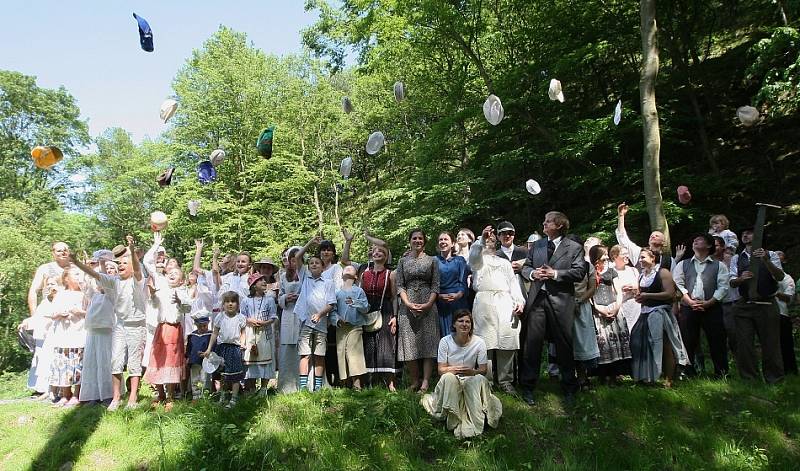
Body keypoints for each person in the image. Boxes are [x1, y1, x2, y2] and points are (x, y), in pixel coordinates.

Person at [520, 211, 586, 406]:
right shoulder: (538, 245)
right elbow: (526, 267)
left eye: (548, 221)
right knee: (532, 345)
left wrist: (555, 273)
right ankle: (528, 387)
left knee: (564, 344)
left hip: (561, 301)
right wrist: (533, 274)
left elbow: (580, 272)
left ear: (559, 225)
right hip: (537, 300)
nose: (544, 223)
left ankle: (569, 387)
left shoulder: (574, 247)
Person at [72, 236, 146, 410]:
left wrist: (131, 249)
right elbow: (94, 273)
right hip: (119, 325)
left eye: (123, 264)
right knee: (116, 361)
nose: (120, 266)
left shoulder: (137, 281)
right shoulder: (114, 281)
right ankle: (116, 398)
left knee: (134, 363)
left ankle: (133, 398)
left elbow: (137, 269)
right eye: (118, 264)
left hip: (136, 325)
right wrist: (75, 261)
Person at [420, 310, 502, 439]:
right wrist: (455, 369)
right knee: (448, 378)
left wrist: (472, 372)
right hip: (452, 378)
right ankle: (452, 417)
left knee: (478, 379)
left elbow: (483, 370)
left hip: (471, 378)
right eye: (461, 321)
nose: (464, 324)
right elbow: (441, 370)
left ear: (471, 325)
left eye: (467, 322)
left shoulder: (479, 342)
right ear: (454, 324)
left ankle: (475, 419)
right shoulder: (445, 341)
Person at [468, 226, 524, 394]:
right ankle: (487, 379)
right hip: (484, 302)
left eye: (492, 240)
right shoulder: (477, 261)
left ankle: (505, 380)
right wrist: (481, 240)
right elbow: (473, 257)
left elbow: (513, 284)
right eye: (487, 240)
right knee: (485, 341)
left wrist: (519, 301)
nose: (489, 241)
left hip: (504, 302)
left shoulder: (504, 263)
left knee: (507, 339)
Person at [730, 228, 786, 383]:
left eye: (749, 233)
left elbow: (780, 276)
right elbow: (732, 282)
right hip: (744, 305)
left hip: (767, 303)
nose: (745, 235)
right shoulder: (737, 258)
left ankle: (775, 379)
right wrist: (741, 279)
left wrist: (766, 260)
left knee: (771, 343)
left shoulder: (772, 254)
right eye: (743, 234)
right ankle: (749, 379)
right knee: (745, 344)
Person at [143, 233, 190, 409]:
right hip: (161, 329)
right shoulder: (161, 283)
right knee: (158, 360)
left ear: (181, 280)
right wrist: (156, 245)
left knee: (171, 362)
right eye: (171, 272)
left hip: (174, 329)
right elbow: (148, 262)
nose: (172, 273)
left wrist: (181, 301)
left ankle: (170, 396)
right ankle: (160, 393)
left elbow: (188, 308)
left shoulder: (182, 291)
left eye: (176, 273)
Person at [672, 233, 730, 377]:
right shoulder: (683, 264)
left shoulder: (719, 265)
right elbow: (677, 284)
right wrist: (689, 301)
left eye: (700, 240)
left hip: (712, 308)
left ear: (709, 245)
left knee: (717, 340)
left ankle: (721, 373)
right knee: (687, 341)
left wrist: (710, 302)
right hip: (688, 308)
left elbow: (723, 287)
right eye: (695, 240)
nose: (696, 241)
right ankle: (687, 373)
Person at [629, 249, 690, 386]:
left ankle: (668, 379)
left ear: (653, 258)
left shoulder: (663, 272)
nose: (640, 260)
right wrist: (639, 297)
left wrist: (648, 296)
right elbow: (642, 295)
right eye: (639, 258)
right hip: (645, 313)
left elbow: (670, 294)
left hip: (661, 314)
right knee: (640, 343)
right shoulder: (641, 275)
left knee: (665, 345)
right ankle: (648, 376)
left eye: (643, 257)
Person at [396, 228, 440, 393]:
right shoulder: (402, 261)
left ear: (424, 241)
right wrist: (407, 303)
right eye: (414, 238)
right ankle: (415, 381)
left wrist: (429, 303)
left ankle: (426, 382)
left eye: (420, 238)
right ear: (410, 241)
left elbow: (436, 284)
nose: (417, 241)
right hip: (407, 306)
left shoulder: (432, 261)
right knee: (408, 343)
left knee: (428, 342)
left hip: (428, 304)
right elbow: (400, 284)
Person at [294, 237, 337, 392]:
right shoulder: (304, 276)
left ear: (322, 266)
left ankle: (318, 386)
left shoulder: (328, 282)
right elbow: (298, 256)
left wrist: (319, 314)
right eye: (311, 263)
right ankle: (303, 387)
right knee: (304, 354)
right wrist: (311, 242)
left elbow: (331, 303)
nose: (313, 264)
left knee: (319, 355)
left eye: (317, 263)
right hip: (305, 322)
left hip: (321, 323)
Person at [360, 234, 400, 391]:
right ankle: (370, 382)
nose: (377, 253)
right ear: (371, 255)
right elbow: (360, 295)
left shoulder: (391, 274)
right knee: (369, 345)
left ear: (386, 256)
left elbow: (395, 297)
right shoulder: (365, 274)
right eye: (375, 252)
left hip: (385, 310)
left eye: (381, 252)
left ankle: (390, 383)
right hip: (368, 311)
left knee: (386, 345)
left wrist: (395, 317)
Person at [588, 246, 631, 384]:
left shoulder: (611, 271)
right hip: (598, 310)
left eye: (607, 255)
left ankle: (615, 375)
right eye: (603, 255)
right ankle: (602, 375)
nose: (606, 258)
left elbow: (618, 291)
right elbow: (589, 294)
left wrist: (617, 307)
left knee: (616, 343)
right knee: (603, 344)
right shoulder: (590, 272)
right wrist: (599, 310)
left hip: (614, 307)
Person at [79, 257, 117, 404]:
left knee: (106, 361)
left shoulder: (112, 291)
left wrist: (101, 264)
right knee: (92, 362)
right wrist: (86, 267)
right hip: (93, 331)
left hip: (106, 331)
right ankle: (93, 394)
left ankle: (108, 393)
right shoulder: (94, 294)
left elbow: (104, 281)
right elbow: (85, 285)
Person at [49, 267, 87, 407]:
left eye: (79, 274)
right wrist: (60, 313)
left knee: (78, 365)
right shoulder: (61, 294)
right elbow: (52, 314)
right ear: (66, 278)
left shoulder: (84, 294)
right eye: (75, 274)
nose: (78, 277)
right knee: (63, 365)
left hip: (80, 334)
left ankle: (77, 395)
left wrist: (80, 312)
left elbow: (91, 312)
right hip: (63, 335)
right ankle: (65, 394)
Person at [203, 291, 246, 408]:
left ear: (237, 304)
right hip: (222, 348)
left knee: (235, 375)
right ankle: (222, 396)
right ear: (223, 304)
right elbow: (214, 334)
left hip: (235, 349)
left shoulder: (241, 318)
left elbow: (243, 333)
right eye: (227, 302)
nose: (230, 304)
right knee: (222, 374)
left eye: (233, 301)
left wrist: (243, 344)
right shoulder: (220, 317)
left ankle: (234, 398)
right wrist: (208, 349)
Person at [22, 275, 60, 399]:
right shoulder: (44, 301)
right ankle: (44, 389)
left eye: (53, 284)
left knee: (53, 361)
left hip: (56, 334)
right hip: (43, 335)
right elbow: (37, 317)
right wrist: (26, 323)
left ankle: (54, 390)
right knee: (43, 362)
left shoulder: (61, 298)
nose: (50, 286)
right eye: (48, 284)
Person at [333, 265, 370, 389]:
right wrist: (338, 320)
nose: (348, 268)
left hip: (355, 326)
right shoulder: (336, 292)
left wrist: (355, 302)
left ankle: (357, 384)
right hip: (341, 328)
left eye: (352, 268)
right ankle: (345, 383)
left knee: (354, 353)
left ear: (356, 276)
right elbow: (332, 310)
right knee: (341, 352)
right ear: (341, 274)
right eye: (346, 268)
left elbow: (366, 308)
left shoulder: (359, 291)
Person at [241, 273, 278, 395]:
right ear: (253, 285)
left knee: (265, 361)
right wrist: (249, 320)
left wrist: (265, 322)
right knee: (250, 362)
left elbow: (273, 316)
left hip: (265, 334)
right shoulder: (246, 300)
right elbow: (241, 316)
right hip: (250, 333)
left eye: (264, 280)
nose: (264, 282)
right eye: (260, 280)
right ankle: (251, 389)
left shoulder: (270, 299)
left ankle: (263, 389)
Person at [615, 203, 674, 271]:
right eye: (651, 236)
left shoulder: (669, 260)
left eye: (656, 236)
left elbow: (674, 278)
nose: (653, 237)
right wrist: (621, 216)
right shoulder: (638, 253)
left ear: (663, 242)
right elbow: (623, 238)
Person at [277, 246, 303, 393]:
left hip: (300, 315)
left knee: (301, 346)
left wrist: (299, 297)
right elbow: (279, 296)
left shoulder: (304, 275)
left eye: (295, 260)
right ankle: (287, 385)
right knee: (287, 349)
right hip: (287, 313)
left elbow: (309, 292)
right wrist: (285, 298)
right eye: (291, 260)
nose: (293, 263)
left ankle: (302, 384)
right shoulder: (283, 277)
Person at [435, 232, 470, 337]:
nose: (443, 242)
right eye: (441, 240)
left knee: (459, 334)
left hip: (458, 301)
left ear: (452, 243)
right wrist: (439, 295)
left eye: (446, 239)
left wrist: (458, 295)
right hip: (440, 302)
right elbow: (431, 283)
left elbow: (463, 281)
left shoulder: (460, 260)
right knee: (442, 335)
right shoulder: (433, 261)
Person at [28, 242, 72, 316]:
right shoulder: (44, 268)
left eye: (65, 250)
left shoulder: (77, 269)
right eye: (59, 251)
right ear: (53, 253)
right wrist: (34, 315)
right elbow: (33, 291)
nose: (63, 253)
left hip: (72, 311)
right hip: (49, 310)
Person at [609, 245, 641, 332]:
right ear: (615, 256)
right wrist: (620, 290)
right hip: (621, 308)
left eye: (627, 253)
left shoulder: (633, 270)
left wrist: (635, 287)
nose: (627, 256)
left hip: (636, 308)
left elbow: (641, 288)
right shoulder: (610, 272)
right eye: (624, 254)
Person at [495, 221, 529, 299]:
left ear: (514, 235)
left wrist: (522, 269)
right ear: (498, 236)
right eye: (503, 233)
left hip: (524, 293)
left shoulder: (524, 252)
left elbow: (533, 270)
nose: (507, 236)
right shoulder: (494, 256)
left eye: (510, 233)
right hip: (503, 295)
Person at [186, 310, 212, 402]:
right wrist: (188, 357)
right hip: (194, 361)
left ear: (208, 323)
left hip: (206, 361)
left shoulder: (210, 335)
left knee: (205, 378)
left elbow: (213, 347)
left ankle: (205, 395)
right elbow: (189, 348)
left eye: (204, 325)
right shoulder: (192, 335)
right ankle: (195, 396)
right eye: (200, 326)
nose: (202, 328)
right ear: (196, 324)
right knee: (194, 379)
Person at [775, 270, 797, 375]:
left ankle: (790, 371)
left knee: (786, 345)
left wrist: (774, 292)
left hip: (781, 314)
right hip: (762, 315)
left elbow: (789, 298)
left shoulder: (787, 278)